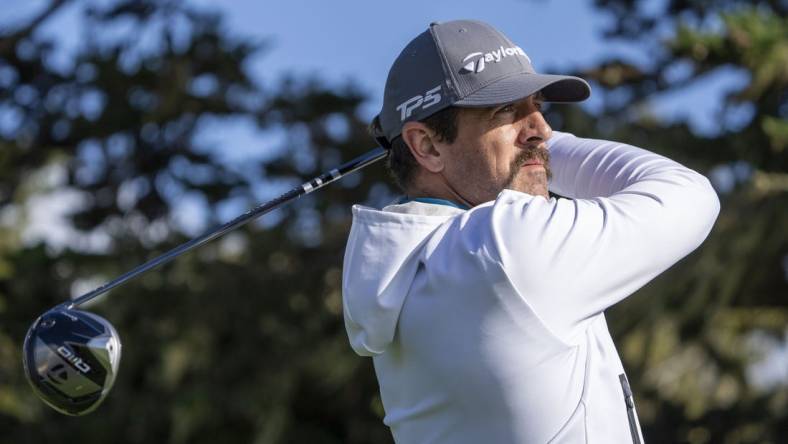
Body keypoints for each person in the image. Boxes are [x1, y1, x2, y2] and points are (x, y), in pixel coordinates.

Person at [341, 20, 719, 444]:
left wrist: (524, 148)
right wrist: (548, 150)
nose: (541, 128)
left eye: (538, 106)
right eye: (505, 110)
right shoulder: (505, 244)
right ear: (426, 146)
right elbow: (689, 195)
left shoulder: (403, 269)